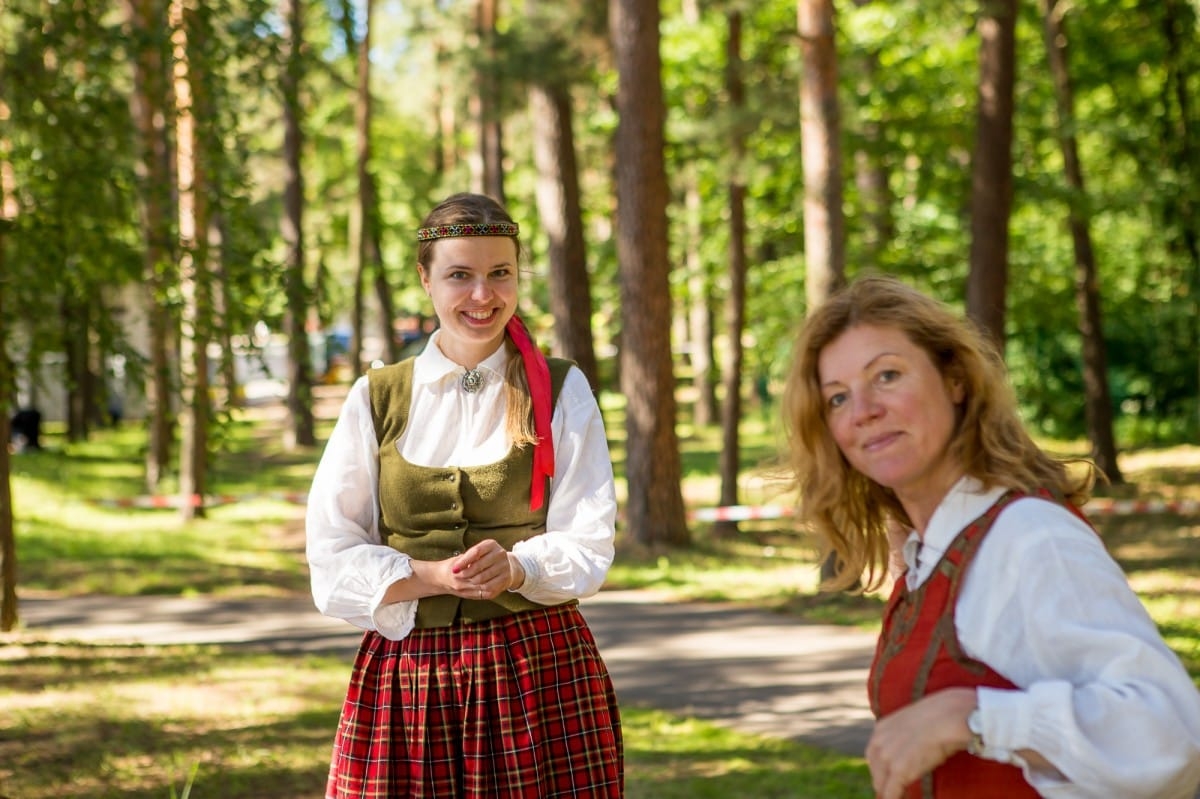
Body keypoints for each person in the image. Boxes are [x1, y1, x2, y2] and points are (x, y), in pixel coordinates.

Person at [780, 274, 1200, 799]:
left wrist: (975, 715)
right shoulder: (929, 553)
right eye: (837, 398)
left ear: (955, 379)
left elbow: (1169, 736)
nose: (863, 411)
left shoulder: (1029, 536)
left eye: (886, 375)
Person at [306, 192, 623, 798]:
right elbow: (331, 551)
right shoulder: (377, 396)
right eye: (460, 275)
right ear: (425, 279)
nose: (484, 295)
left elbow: (589, 539)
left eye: (500, 273)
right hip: (409, 678)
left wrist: (517, 567)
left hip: (536, 670)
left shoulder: (560, 388)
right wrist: (428, 576)